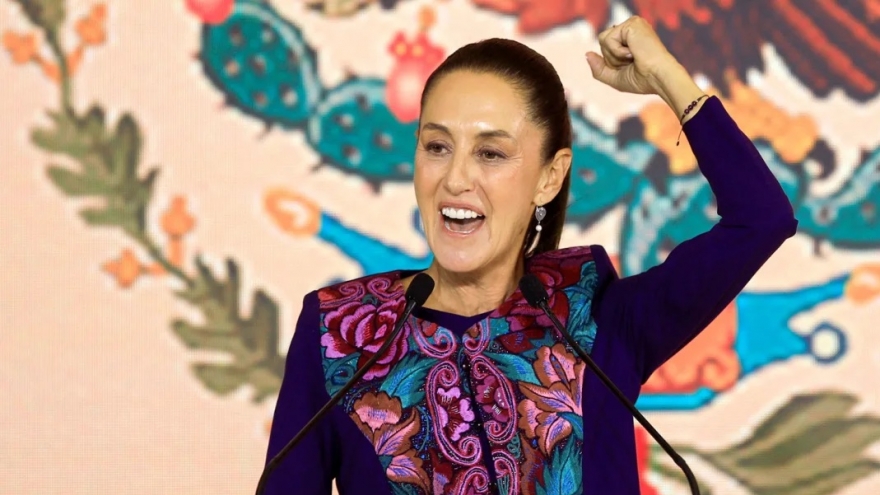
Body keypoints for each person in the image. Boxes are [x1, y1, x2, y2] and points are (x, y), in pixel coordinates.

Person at [263, 16, 797, 495]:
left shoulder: (597, 323)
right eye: (437, 146)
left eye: (491, 153)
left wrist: (666, 78)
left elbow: (761, 218)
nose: (455, 179)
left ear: (549, 177)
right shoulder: (341, 335)